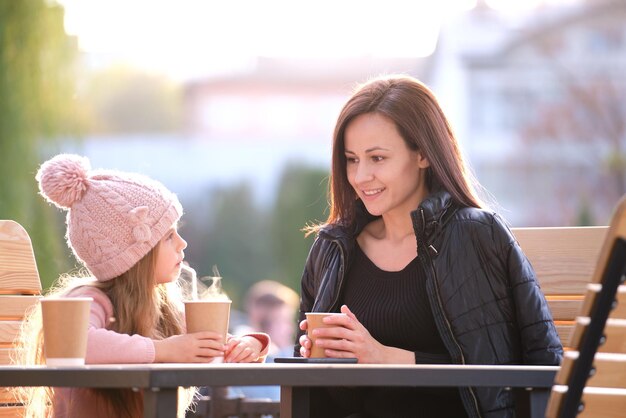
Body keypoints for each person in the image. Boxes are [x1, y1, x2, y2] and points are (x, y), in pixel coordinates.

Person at [295, 75, 563, 418]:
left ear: (422, 154)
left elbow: (523, 372)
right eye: (351, 159)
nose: (361, 176)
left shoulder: (474, 236)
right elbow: (324, 399)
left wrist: (384, 358)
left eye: (377, 158)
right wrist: (327, 362)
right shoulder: (333, 248)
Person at [14, 154, 270, 418]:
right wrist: (163, 350)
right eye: (169, 236)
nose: (182, 244)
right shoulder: (90, 300)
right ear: (137, 254)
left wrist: (248, 345)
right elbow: (77, 343)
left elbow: (206, 346)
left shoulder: (163, 308)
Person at [234, 280, 299, 400]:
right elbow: (280, 399)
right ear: (263, 321)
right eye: (283, 321)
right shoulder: (242, 353)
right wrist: (285, 349)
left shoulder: (279, 353)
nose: (290, 329)